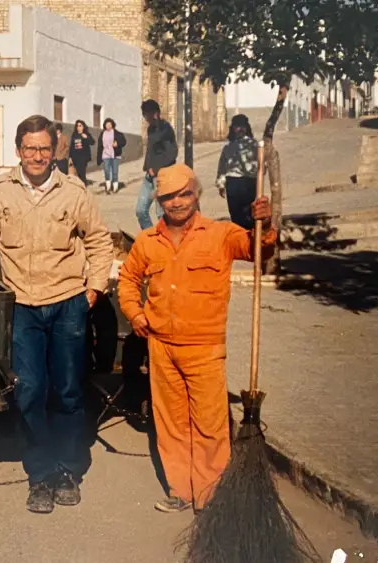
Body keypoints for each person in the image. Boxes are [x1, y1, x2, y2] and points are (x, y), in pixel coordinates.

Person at [0, 114, 115, 514]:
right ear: (18, 150)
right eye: (30, 148)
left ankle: (67, 470)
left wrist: (95, 287)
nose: (37, 156)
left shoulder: (73, 192)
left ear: (54, 151)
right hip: (21, 306)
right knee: (29, 391)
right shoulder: (0, 191)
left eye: (44, 148)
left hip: (68, 302)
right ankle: (40, 475)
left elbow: (100, 241)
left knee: (67, 390)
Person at [116, 163, 276, 514]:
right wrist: (135, 314)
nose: (177, 202)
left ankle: (209, 495)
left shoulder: (220, 234)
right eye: (168, 197)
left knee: (209, 424)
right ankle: (181, 491)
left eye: (184, 194)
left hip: (204, 348)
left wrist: (264, 225)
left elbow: (257, 250)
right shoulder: (147, 242)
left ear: (196, 194)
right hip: (161, 348)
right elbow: (128, 280)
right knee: (171, 424)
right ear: (158, 201)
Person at [137, 100, 178, 230]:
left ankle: (166, 238)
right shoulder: (151, 129)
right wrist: (147, 167)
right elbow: (151, 151)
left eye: (146, 114)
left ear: (155, 113)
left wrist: (156, 169)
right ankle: (151, 237)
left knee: (161, 213)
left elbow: (172, 153)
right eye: (144, 114)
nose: (145, 118)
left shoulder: (166, 129)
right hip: (149, 176)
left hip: (161, 176)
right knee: (140, 210)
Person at [216, 114, 259, 229]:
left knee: (248, 213)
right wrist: (221, 185)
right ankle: (240, 236)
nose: (240, 129)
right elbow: (222, 167)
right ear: (233, 129)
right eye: (237, 126)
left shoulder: (254, 145)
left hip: (248, 183)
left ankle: (247, 235)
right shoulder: (228, 147)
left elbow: (261, 164)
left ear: (247, 128)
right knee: (236, 215)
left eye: (242, 126)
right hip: (233, 183)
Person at [96, 118, 127, 194]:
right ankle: (108, 187)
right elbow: (100, 146)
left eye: (109, 124)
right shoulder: (102, 134)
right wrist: (99, 157)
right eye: (107, 124)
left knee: (114, 172)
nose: (108, 126)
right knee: (107, 171)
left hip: (115, 156)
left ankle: (115, 188)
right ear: (104, 125)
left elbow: (124, 142)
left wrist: (118, 143)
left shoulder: (117, 133)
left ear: (112, 125)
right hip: (105, 155)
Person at [68, 120, 94, 184]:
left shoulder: (86, 134)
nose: (78, 127)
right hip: (75, 157)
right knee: (78, 174)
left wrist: (86, 137)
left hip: (83, 157)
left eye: (80, 126)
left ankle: (83, 185)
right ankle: (81, 185)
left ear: (83, 127)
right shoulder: (74, 135)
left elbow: (92, 142)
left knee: (82, 173)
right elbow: (71, 147)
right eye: (77, 126)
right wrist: (70, 157)